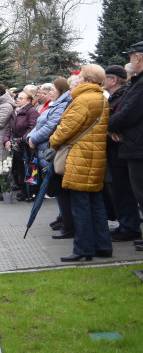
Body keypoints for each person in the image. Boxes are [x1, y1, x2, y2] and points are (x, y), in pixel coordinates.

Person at [50, 64, 111, 262]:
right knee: (96, 203)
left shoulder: (83, 100)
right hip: (96, 156)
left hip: (80, 157)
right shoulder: (101, 98)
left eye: (82, 76)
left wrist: (53, 141)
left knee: (80, 205)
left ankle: (83, 248)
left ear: (88, 79)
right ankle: (103, 245)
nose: (78, 79)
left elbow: (66, 128)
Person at [27, 77, 73, 236]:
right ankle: (64, 217)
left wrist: (34, 138)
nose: (49, 93)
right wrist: (30, 137)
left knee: (57, 186)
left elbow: (51, 127)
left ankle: (68, 222)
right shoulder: (55, 105)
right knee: (55, 187)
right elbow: (39, 124)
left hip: (50, 150)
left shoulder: (61, 106)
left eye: (52, 89)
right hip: (43, 149)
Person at [103, 64, 140, 243]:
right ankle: (125, 225)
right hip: (116, 151)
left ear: (113, 80)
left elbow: (122, 117)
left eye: (105, 77)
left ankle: (129, 227)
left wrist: (109, 127)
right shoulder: (116, 97)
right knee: (119, 192)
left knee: (124, 192)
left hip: (121, 152)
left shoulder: (122, 96)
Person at [4, 90, 39, 201]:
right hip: (17, 146)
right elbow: (9, 128)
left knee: (31, 171)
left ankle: (32, 194)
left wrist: (20, 140)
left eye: (21, 98)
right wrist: (6, 140)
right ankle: (24, 192)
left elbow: (32, 128)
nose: (17, 100)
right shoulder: (15, 112)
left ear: (28, 100)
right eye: (17, 98)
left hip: (27, 146)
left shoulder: (32, 111)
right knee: (20, 171)